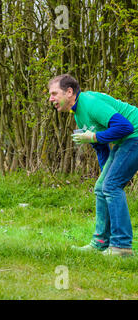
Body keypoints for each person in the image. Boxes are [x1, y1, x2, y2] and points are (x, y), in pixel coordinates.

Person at [48, 74, 138, 257]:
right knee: (101, 187)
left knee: (111, 186)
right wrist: (106, 172)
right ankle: (101, 243)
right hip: (125, 141)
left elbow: (125, 126)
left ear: (69, 92)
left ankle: (122, 247)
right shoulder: (79, 115)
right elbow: (101, 149)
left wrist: (94, 137)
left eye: (54, 93)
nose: (51, 99)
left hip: (134, 136)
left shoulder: (89, 102)